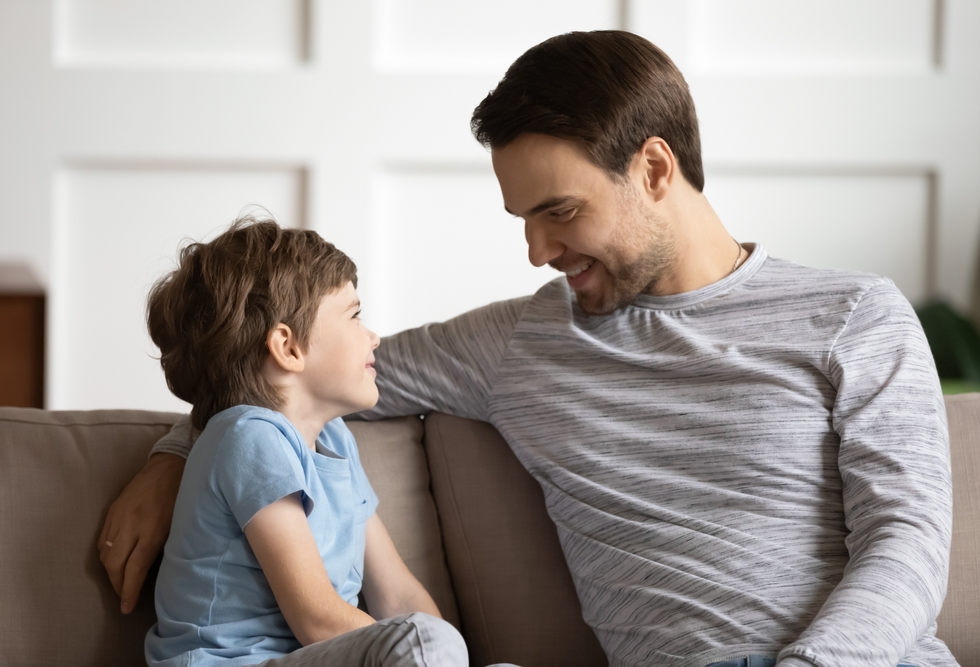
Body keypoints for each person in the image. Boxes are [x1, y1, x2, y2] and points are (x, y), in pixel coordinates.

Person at [100, 32, 956, 667]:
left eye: (560, 211)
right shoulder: (518, 342)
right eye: (524, 221)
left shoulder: (855, 316)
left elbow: (908, 541)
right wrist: (178, 453)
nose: (538, 251)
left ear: (655, 170)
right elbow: (288, 376)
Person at [132, 217, 467, 667]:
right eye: (354, 315)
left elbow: (397, 592)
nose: (374, 336)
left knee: (440, 643)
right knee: (425, 643)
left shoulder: (335, 440)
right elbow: (317, 619)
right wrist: (423, 649)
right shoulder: (248, 438)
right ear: (288, 347)